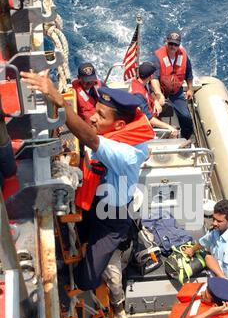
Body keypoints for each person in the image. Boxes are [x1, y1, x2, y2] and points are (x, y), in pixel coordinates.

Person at [20, 71, 154, 295]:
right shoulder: (117, 135)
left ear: (119, 125)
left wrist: (60, 100)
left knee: (86, 280)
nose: (92, 118)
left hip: (112, 218)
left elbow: (90, 140)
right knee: (81, 235)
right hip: (96, 200)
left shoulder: (125, 153)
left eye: (100, 116)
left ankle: (121, 248)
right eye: (95, 111)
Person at [150, 31, 194, 140]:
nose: (173, 47)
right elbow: (154, 78)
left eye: (176, 44)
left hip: (176, 92)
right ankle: (153, 136)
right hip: (160, 91)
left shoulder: (183, 56)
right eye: (171, 44)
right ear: (167, 43)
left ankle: (186, 138)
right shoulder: (157, 56)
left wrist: (190, 89)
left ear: (179, 45)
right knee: (154, 114)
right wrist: (159, 95)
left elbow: (189, 73)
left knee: (186, 117)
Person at [130, 61, 178, 136]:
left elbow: (149, 91)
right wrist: (168, 127)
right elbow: (148, 118)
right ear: (150, 76)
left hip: (152, 111)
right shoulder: (138, 95)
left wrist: (155, 101)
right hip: (145, 125)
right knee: (173, 130)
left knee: (169, 107)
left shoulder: (141, 82)